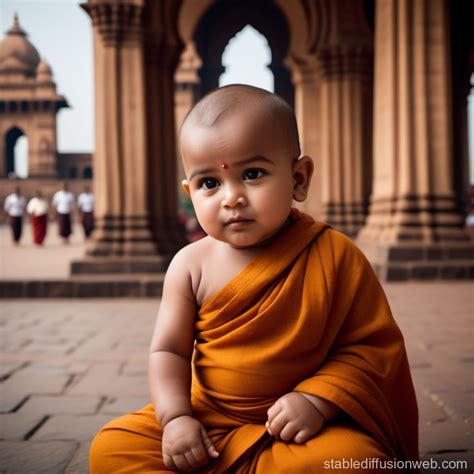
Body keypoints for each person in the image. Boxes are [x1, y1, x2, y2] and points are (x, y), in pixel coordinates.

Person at [90, 85, 419, 473]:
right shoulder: (189, 266)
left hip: (297, 432)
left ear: (299, 179)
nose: (231, 197)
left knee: (356, 462)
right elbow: (169, 352)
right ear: (189, 192)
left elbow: (371, 350)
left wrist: (317, 400)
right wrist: (176, 419)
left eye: (252, 174)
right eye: (209, 183)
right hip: (209, 423)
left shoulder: (334, 255)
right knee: (111, 447)